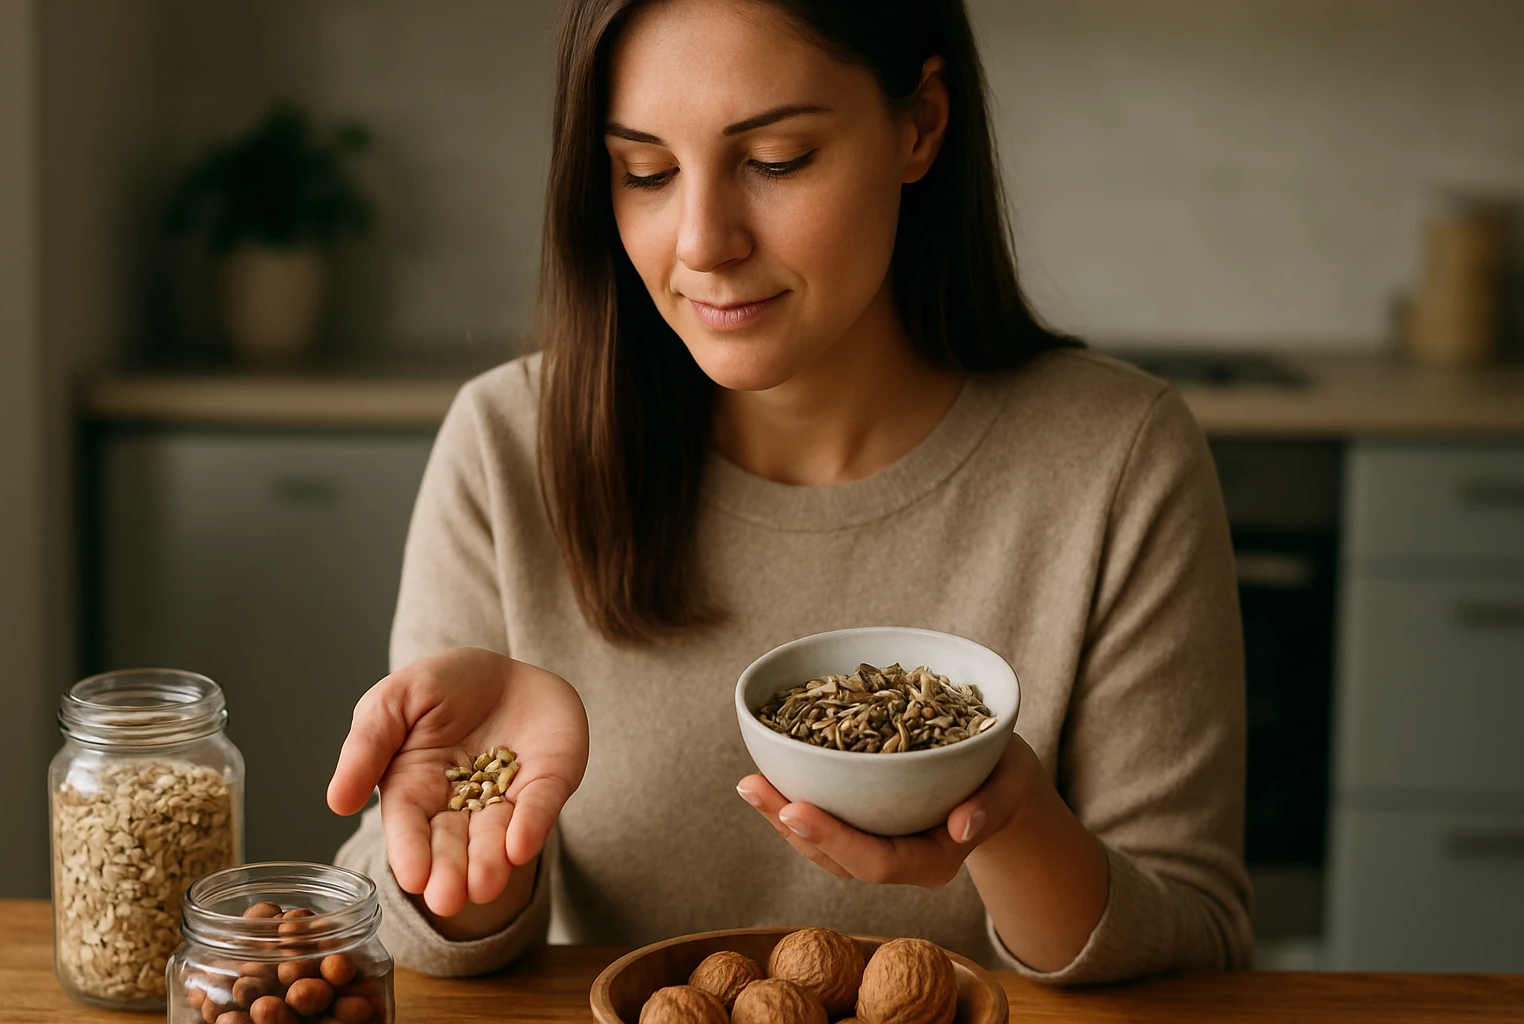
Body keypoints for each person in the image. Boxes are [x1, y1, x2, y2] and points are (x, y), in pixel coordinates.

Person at [327, 0, 1252, 985]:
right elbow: (404, 931)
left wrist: (1010, 818)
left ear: (921, 124)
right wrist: (476, 842)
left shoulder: (1117, 460)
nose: (702, 241)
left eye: (774, 160)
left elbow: (1195, 942)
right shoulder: (509, 446)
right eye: (645, 171)